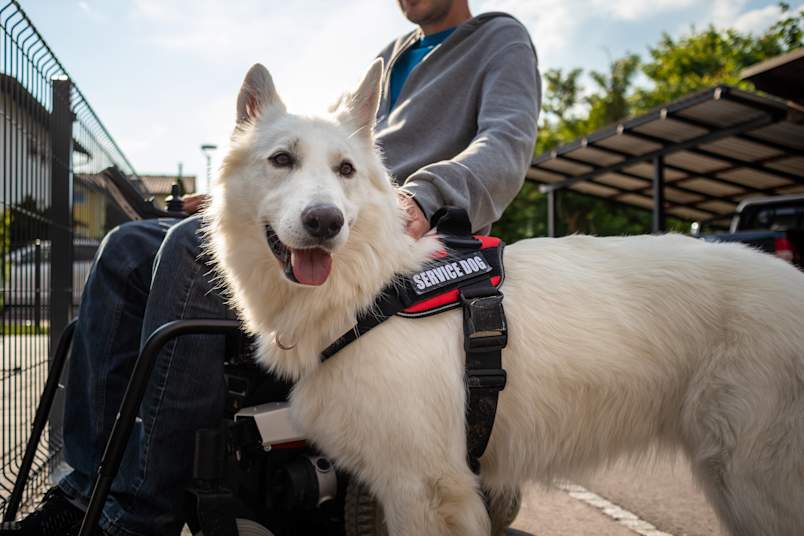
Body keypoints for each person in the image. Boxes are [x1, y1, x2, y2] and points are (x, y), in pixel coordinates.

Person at [1, 1, 540, 534]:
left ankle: (141, 510)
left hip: (406, 225)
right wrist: (242, 192)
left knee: (194, 249)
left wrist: (424, 196)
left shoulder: (498, 39)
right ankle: (83, 491)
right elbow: (312, 154)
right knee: (126, 247)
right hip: (331, 200)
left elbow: (506, 143)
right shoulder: (391, 57)